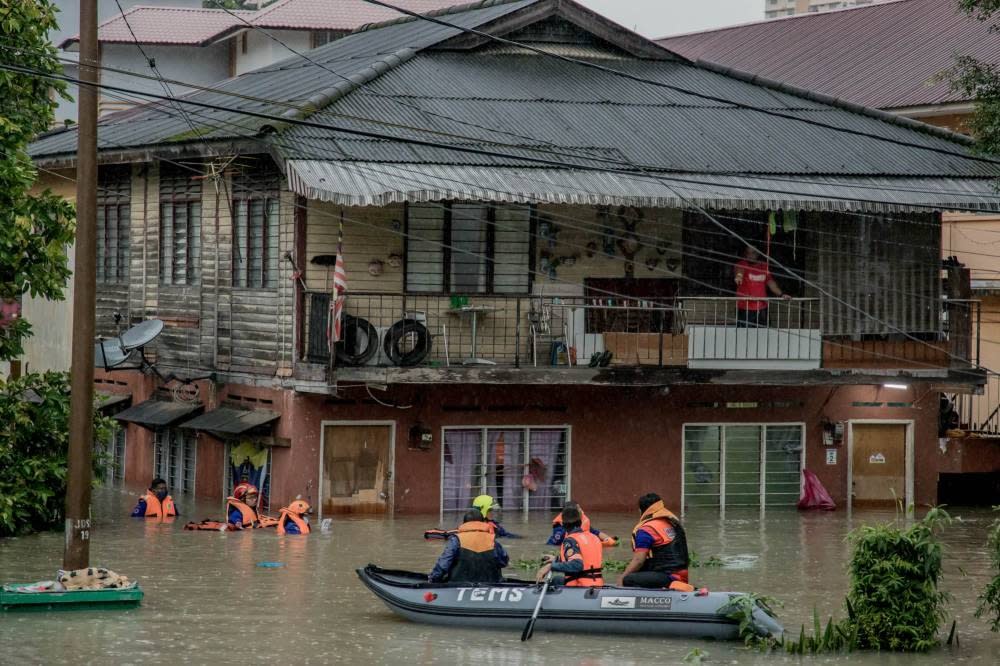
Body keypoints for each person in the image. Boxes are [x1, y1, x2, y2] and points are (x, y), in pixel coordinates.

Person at [618, 493, 693, 591]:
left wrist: (622, 578)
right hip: (682, 575)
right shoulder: (671, 523)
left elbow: (638, 561)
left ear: (641, 511)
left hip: (669, 576)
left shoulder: (646, 529)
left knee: (629, 579)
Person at [429, 509, 509, 583]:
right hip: (491, 583)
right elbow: (504, 562)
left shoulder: (456, 540)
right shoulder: (492, 540)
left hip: (459, 584)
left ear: (464, 523)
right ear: (483, 523)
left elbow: (443, 564)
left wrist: (433, 580)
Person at [535, 506, 604, 586]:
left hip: (581, 586)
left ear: (563, 525)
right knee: (558, 579)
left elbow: (577, 565)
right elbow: (586, 558)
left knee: (555, 580)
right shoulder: (594, 537)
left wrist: (550, 566)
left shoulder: (571, 540)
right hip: (597, 584)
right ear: (580, 522)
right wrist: (557, 559)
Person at [733, 245, 790, 328]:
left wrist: (782, 294)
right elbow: (739, 272)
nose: (750, 256)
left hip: (762, 308)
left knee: (764, 334)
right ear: (745, 254)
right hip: (745, 308)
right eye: (748, 253)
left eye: (753, 253)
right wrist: (738, 276)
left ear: (758, 254)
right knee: (744, 335)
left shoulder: (763, 266)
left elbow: (771, 283)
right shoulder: (741, 264)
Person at [547, 500, 617, 547]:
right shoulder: (560, 530)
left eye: (580, 507)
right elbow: (552, 545)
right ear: (571, 513)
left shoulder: (583, 521)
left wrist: (608, 539)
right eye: (578, 508)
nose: (581, 510)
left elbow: (596, 532)